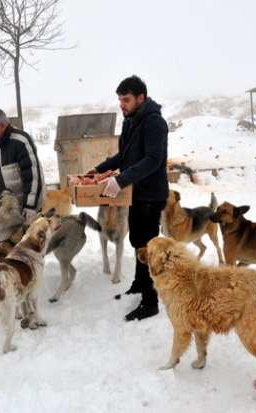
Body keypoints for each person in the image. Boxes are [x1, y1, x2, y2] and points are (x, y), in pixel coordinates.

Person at [87, 75, 169, 321]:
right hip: (136, 193)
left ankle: (150, 301)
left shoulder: (154, 123)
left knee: (148, 246)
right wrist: (100, 169)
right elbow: (125, 156)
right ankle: (138, 284)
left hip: (150, 195)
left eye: (126, 99)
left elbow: (153, 160)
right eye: (120, 100)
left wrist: (120, 180)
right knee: (137, 242)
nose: (121, 104)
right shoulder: (132, 121)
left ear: (140, 98)